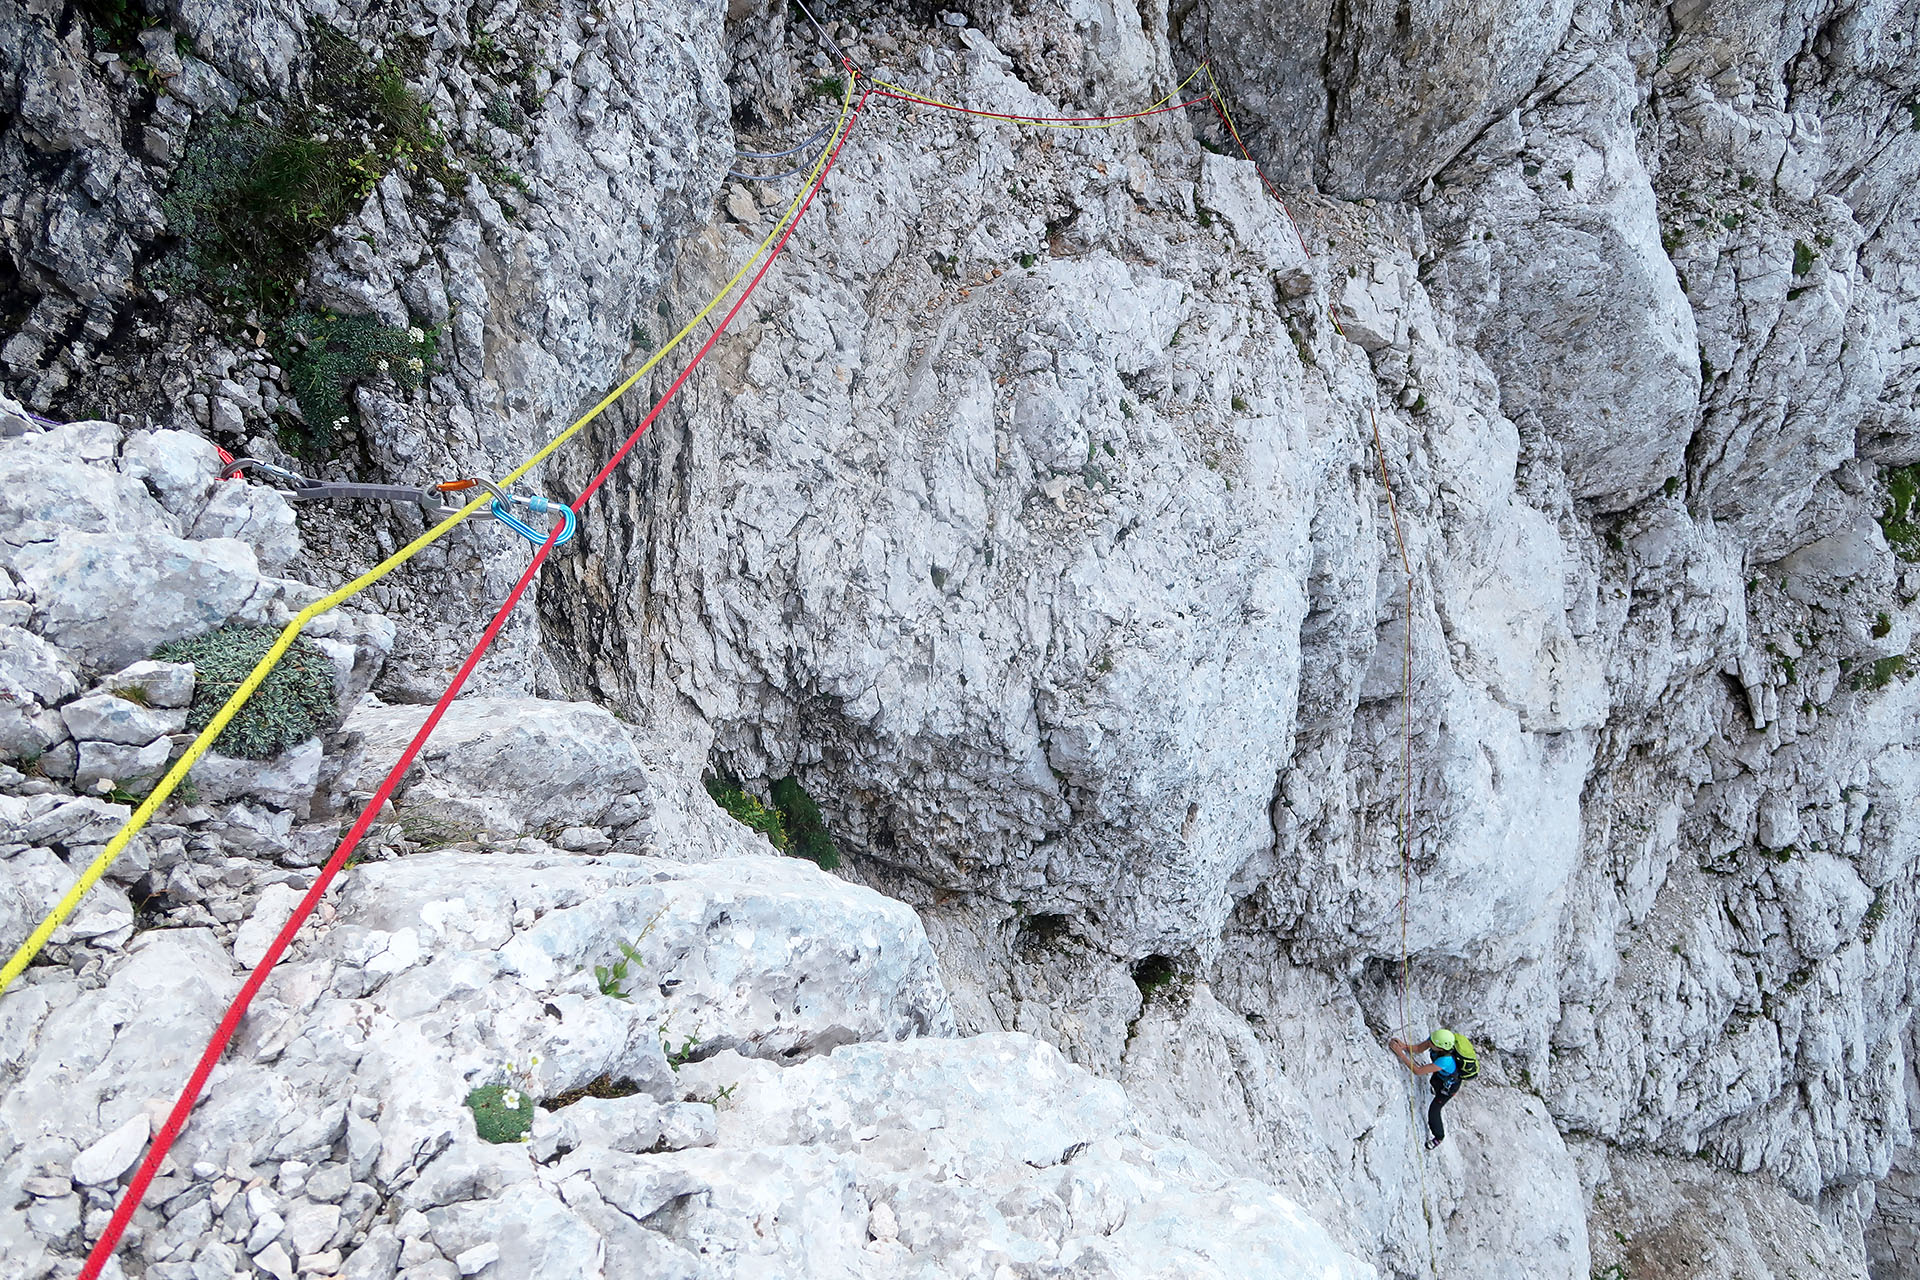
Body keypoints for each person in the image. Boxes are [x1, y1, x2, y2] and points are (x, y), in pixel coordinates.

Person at [1389, 1028, 1465, 1150]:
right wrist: (1404, 1046)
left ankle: (1439, 1137)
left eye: (1432, 1043)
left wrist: (1400, 1054)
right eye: (1431, 1040)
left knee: (1434, 1110)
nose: (1429, 1043)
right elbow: (1419, 1048)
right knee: (1434, 1081)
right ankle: (1436, 1088)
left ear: (1440, 1048)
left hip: (1449, 1087)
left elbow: (1418, 1071)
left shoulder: (1445, 1060)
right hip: (1441, 1077)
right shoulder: (1436, 1040)